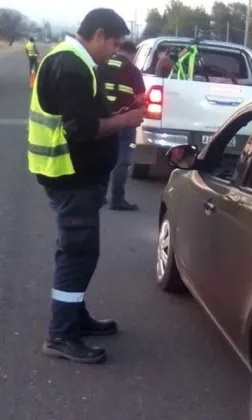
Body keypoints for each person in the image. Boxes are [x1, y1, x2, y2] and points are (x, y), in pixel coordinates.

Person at [28, 8, 144, 364]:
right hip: (69, 174)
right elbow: (81, 128)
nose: (115, 51)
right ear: (97, 34)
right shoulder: (71, 67)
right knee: (78, 254)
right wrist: (125, 120)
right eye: (113, 43)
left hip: (73, 174)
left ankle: (73, 315)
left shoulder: (77, 63)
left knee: (75, 251)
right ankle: (61, 334)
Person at [97, 40, 145, 210]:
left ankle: (99, 195)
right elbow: (140, 98)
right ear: (132, 54)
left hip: (103, 120)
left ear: (119, 50)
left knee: (102, 157)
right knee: (122, 160)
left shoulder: (102, 66)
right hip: (126, 120)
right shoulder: (133, 71)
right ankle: (117, 199)